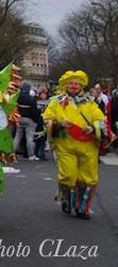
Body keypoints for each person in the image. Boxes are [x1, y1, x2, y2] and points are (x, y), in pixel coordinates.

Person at [42, 70, 105, 219]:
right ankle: (67, 200)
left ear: (81, 86)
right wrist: (58, 124)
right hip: (66, 145)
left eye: (77, 83)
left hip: (88, 146)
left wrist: (94, 127)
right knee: (68, 175)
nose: (74, 86)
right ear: (66, 85)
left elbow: (100, 119)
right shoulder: (56, 102)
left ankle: (82, 207)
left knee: (88, 178)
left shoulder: (90, 102)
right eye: (71, 83)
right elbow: (46, 119)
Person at [14, 82, 41, 160]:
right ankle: (31, 155)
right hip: (29, 119)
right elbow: (34, 111)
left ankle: (12, 153)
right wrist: (37, 120)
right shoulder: (31, 98)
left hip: (19, 118)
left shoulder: (17, 97)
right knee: (30, 138)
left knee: (17, 136)